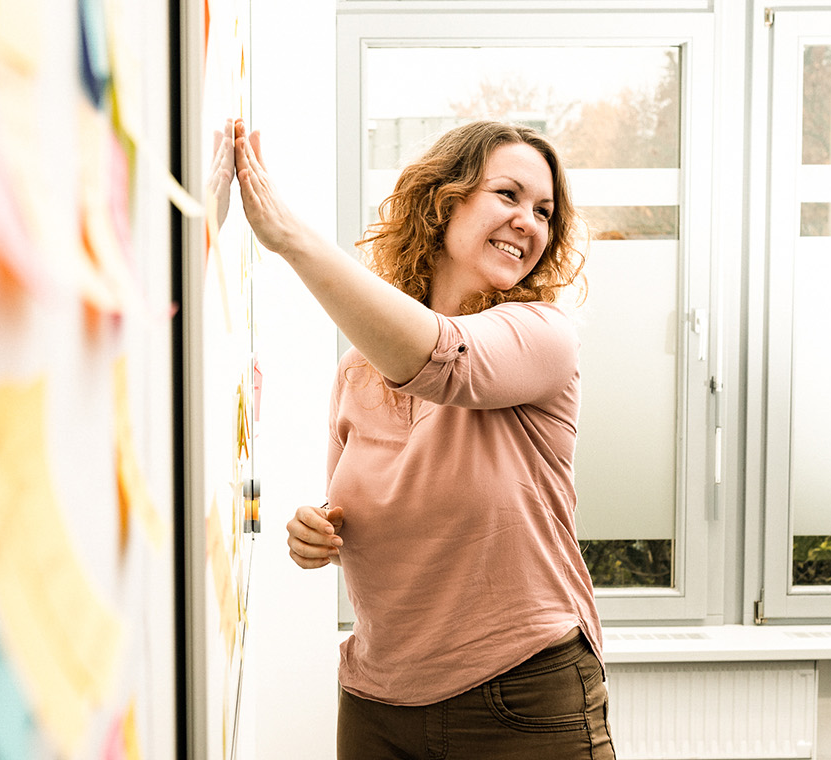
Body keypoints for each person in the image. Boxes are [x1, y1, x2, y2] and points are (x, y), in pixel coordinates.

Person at [231, 118, 615, 759]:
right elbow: (346, 516)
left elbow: (444, 362)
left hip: (520, 694)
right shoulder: (358, 369)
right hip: (377, 704)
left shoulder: (543, 334)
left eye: (544, 211)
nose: (530, 221)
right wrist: (315, 531)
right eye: (509, 195)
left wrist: (291, 240)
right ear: (444, 201)